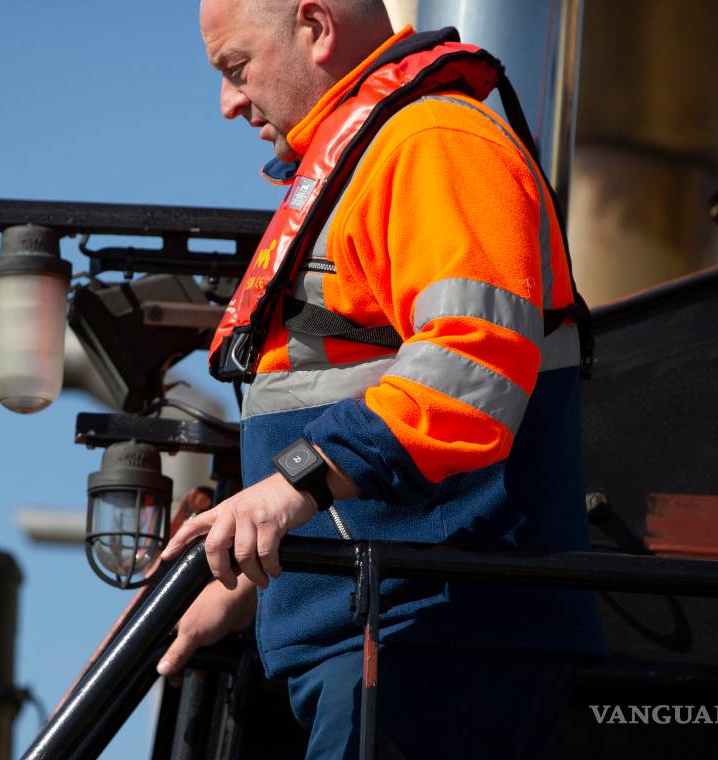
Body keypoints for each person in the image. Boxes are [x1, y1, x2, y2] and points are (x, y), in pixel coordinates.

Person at [159, 1, 607, 757]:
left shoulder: (433, 142)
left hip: (433, 637)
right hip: (387, 634)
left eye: (237, 69)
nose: (229, 102)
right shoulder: (380, 152)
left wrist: (288, 482)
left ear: (315, 26)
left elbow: (470, 366)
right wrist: (249, 585)